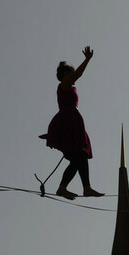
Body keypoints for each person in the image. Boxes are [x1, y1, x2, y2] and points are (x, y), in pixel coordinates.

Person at [41, 46, 104, 200]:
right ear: (64, 75)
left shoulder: (68, 87)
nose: (72, 76)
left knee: (81, 156)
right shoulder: (63, 86)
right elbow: (78, 75)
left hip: (73, 123)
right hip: (68, 124)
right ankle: (64, 187)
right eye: (70, 73)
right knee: (77, 157)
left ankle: (86, 187)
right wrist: (87, 60)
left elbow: (76, 75)